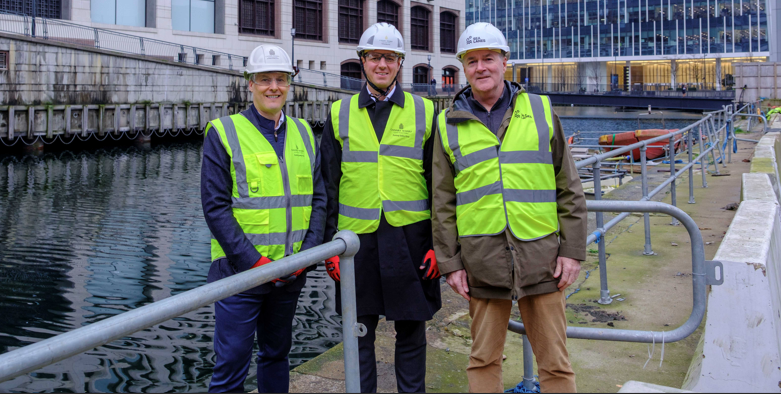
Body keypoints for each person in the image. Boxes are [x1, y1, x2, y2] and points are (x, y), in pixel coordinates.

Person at [431, 22, 587, 393]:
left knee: (555, 363)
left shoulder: (540, 110)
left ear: (505, 61)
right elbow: (442, 202)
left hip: (543, 258)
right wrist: (451, 264)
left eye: (489, 58)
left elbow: (568, 186)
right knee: (483, 360)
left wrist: (572, 252)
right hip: (482, 261)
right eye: (472, 61)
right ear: (463, 68)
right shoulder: (447, 124)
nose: (481, 67)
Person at [320, 22, 441, 393]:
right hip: (356, 244)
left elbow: (440, 185)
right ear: (363, 61)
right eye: (375, 57)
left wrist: (440, 245)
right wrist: (328, 247)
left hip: (412, 240)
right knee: (358, 332)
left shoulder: (426, 111)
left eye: (390, 57)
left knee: (412, 332)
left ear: (400, 62)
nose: (382, 64)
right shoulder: (339, 113)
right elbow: (327, 186)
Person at [201, 44, 327, 393]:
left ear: (290, 84)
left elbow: (319, 199)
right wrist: (255, 264)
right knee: (230, 366)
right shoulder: (223, 132)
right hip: (239, 275)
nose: (274, 87)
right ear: (251, 84)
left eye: (281, 79)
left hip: (290, 273)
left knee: (276, 355)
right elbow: (215, 207)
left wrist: (306, 257)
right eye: (265, 79)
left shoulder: (304, 132)